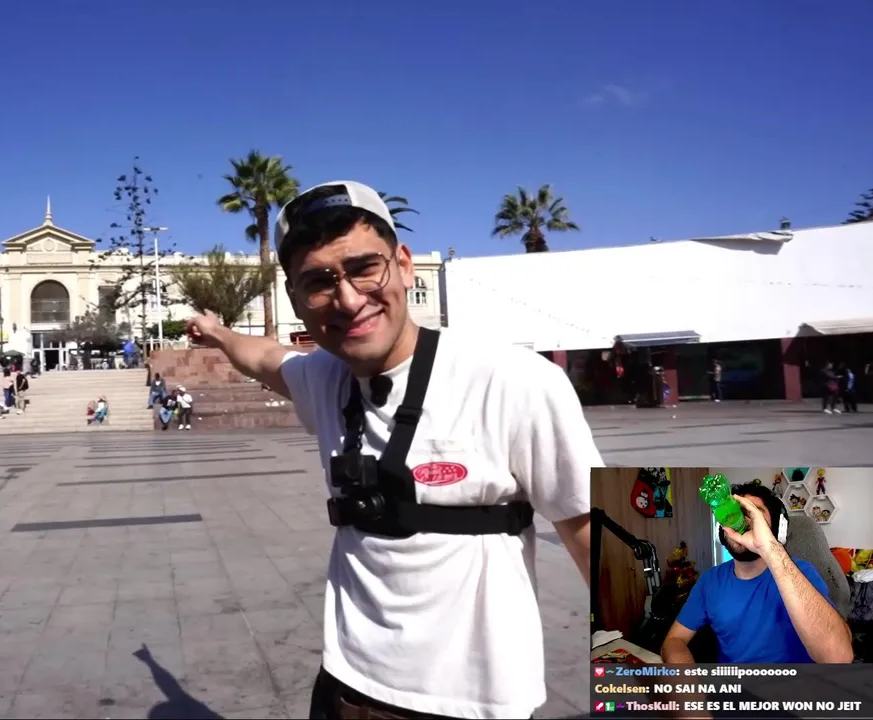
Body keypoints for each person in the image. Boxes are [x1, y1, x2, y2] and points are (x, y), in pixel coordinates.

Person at [184, 180, 596, 719]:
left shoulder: (513, 380)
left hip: (471, 704)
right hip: (343, 687)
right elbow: (261, 355)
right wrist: (217, 333)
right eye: (319, 282)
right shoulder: (325, 378)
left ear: (403, 265)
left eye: (364, 268)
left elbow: (600, 541)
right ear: (296, 299)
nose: (349, 299)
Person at [661, 482, 853, 664]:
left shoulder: (802, 572)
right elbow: (674, 640)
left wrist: (769, 547)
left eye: (754, 513)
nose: (742, 520)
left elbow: (838, 657)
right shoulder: (709, 581)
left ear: (777, 530)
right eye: (736, 511)